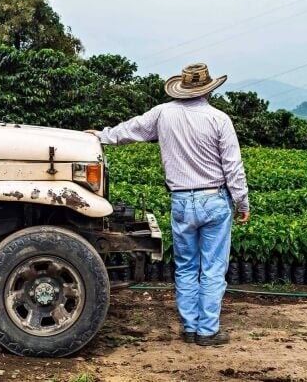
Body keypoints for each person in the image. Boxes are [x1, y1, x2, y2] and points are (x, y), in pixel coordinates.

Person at [88, 63, 250, 346]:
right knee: (212, 267)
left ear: (182, 87)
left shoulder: (163, 113)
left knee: (186, 266)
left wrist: (101, 136)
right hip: (214, 199)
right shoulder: (219, 119)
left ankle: (189, 328)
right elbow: (233, 167)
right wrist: (242, 203)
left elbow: (131, 129)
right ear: (208, 90)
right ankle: (208, 331)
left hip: (181, 201)